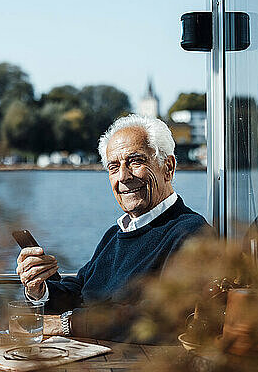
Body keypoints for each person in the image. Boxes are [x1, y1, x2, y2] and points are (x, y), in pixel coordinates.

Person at [16, 114, 209, 341]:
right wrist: (39, 289)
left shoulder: (192, 233)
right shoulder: (115, 234)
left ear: (168, 167)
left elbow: (162, 317)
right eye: (114, 167)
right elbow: (80, 291)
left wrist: (67, 324)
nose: (123, 177)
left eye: (135, 161)